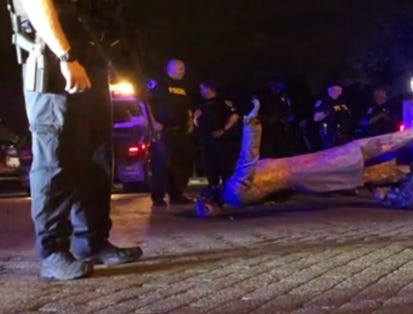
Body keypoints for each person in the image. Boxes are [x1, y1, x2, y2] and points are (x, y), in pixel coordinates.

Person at [9, 0, 142, 280]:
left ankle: (91, 242)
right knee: (55, 161)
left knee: (96, 157)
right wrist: (65, 56)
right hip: (52, 62)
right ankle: (52, 251)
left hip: (87, 62)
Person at [148, 59, 195, 207]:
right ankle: (158, 197)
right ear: (171, 68)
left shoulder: (183, 86)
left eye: (184, 68)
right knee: (161, 164)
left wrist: (190, 120)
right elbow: (147, 103)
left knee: (180, 163)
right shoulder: (159, 84)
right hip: (164, 131)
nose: (183, 71)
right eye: (180, 68)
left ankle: (177, 194)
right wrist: (153, 122)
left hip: (180, 130)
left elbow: (187, 106)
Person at [193, 81, 241, 187]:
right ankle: (213, 191)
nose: (201, 91)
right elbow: (196, 124)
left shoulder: (223, 101)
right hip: (206, 141)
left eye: (202, 88)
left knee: (225, 168)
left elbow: (234, 116)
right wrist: (196, 117)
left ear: (209, 88)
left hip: (222, 141)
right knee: (210, 168)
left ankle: (227, 190)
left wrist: (224, 130)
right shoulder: (201, 104)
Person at [259, 76, 295, 158]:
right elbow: (255, 114)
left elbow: (289, 111)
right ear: (271, 85)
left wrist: (288, 118)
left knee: (282, 152)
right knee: (268, 153)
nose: (277, 89)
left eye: (280, 87)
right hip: (266, 130)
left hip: (281, 129)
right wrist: (268, 119)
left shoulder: (283, 97)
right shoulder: (263, 97)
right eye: (276, 87)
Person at [313, 80, 352, 150]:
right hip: (328, 132)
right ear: (330, 90)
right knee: (329, 152)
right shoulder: (323, 101)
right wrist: (330, 110)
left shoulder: (341, 101)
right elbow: (316, 118)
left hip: (341, 132)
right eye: (337, 89)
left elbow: (347, 113)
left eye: (340, 89)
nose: (340, 92)